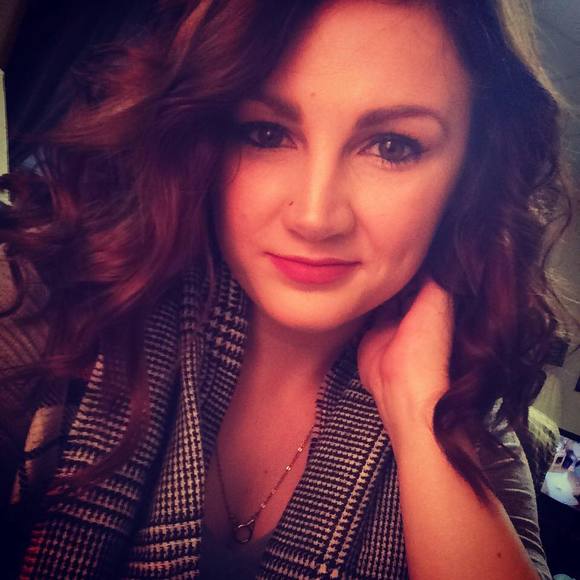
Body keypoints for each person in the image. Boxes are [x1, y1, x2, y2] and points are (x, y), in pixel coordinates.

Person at [0, 0, 571, 577]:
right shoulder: (36, 310)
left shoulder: (483, 427)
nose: (315, 217)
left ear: (469, 180)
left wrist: (418, 407)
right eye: (266, 133)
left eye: (393, 146)